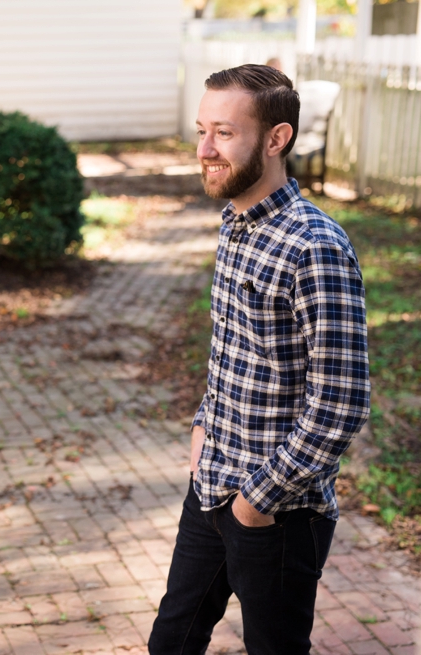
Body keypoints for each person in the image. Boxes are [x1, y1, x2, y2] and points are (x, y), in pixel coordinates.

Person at [147, 64, 370, 654]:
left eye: (224, 132)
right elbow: (236, 353)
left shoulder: (314, 246)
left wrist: (257, 500)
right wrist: (202, 425)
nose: (204, 150)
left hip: (277, 513)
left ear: (277, 139)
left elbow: (342, 403)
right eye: (201, 131)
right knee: (172, 641)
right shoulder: (236, 224)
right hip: (211, 483)